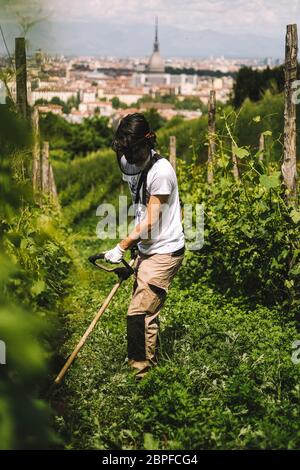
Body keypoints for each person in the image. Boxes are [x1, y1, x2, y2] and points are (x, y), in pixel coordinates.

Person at [105, 113, 185, 379]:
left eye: (133, 150)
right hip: (148, 249)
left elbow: (151, 220)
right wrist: (138, 249)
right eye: (125, 151)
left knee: (139, 312)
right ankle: (147, 360)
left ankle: (141, 376)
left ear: (147, 142)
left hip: (165, 251)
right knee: (144, 308)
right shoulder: (130, 163)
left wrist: (123, 244)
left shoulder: (161, 172)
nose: (129, 157)